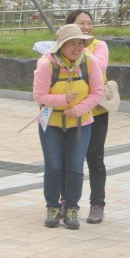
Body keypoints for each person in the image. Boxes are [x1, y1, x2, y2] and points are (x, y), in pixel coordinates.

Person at [33, 23, 103, 230]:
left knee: (75, 167)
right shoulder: (47, 64)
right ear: (60, 46)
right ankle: (53, 207)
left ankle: (72, 208)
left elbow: (97, 92)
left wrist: (77, 109)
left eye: (80, 43)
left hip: (81, 123)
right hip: (51, 123)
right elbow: (39, 96)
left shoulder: (90, 62)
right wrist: (63, 100)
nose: (76, 48)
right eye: (71, 43)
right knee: (53, 167)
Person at [66, 9, 111, 224]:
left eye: (89, 23)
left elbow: (99, 66)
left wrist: (79, 48)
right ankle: (66, 202)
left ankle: (97, 204)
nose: (86, 27)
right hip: (69, 111)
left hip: (96, 110)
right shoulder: (61, 47)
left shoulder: (98, 46)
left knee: (94, 157)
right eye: (81, 23)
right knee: (67, 158)